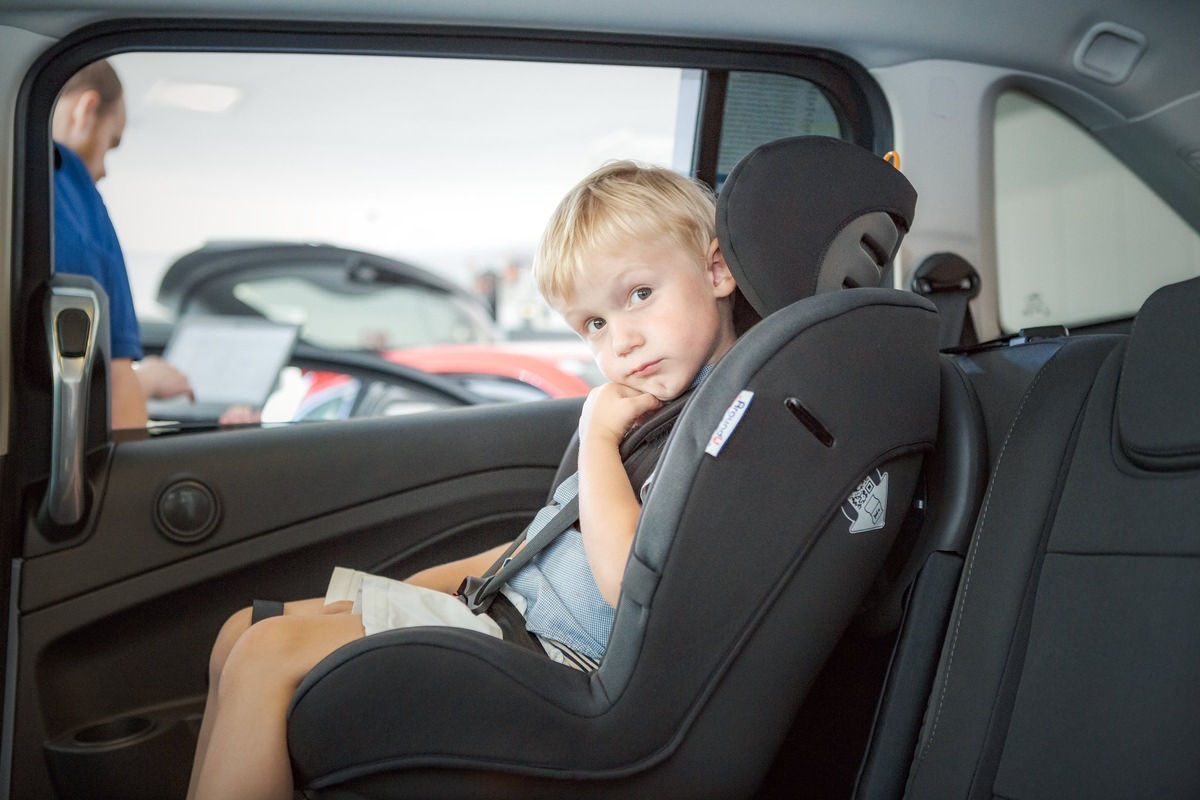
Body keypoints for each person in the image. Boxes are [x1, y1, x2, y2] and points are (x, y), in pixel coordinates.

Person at [186, 160, 740, 800]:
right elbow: (549, 539)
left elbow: (630, 584)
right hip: (501, 614)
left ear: (717, 269)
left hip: (552, 663)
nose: (621, 340)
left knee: (264, 657)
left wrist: (596, 436)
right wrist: (428, 589)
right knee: (238, 634)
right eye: (594, 324)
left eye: (640, 295)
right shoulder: (656, 414)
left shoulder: (719, 430)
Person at [52, 59, 194, 428]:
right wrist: (145, 379)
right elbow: (115, 382)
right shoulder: (78, 198)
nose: (103, 170)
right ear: (86, 110)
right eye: (111, 144)